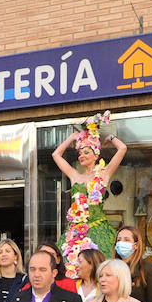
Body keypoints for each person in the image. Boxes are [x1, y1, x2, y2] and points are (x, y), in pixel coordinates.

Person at [51, 110, 127, 277]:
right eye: (80, 153)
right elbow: (56, 155)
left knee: (101, 271)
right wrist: (71, 139)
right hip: (76, 230)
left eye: (86, 152)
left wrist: (111, 137)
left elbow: (122, 148)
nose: (81, 156)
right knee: (70, 271)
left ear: (96, 154)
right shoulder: (75, 176)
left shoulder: (104, 174)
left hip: (99, 229)